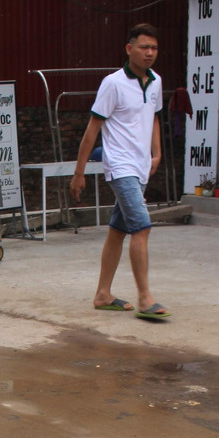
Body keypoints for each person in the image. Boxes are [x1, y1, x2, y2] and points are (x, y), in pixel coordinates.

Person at [71, 23, 170, 321]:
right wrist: (79, 172)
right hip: (120, 166)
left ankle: (103, 294)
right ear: (129, 49)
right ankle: (145, 297)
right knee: (142, 227)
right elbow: (93, 129)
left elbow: (154, 117)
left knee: (119, 230)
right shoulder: (112, 83)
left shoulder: (156, 82)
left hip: (141, 167)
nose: (149, 53)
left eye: (154, 48)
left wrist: (156, 153)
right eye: (144, 47)